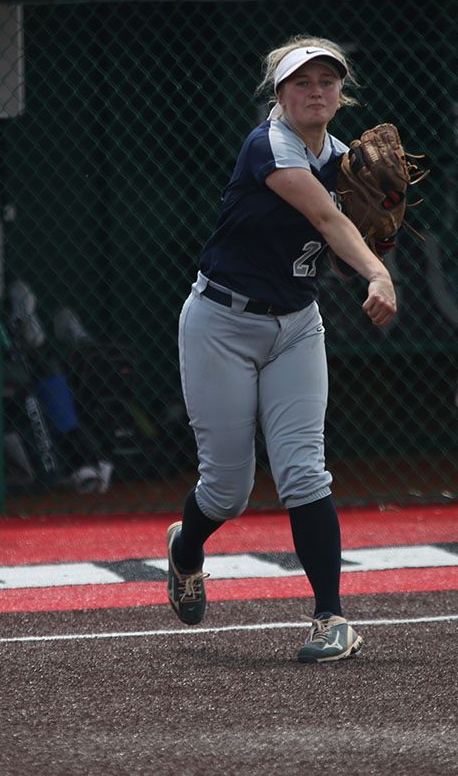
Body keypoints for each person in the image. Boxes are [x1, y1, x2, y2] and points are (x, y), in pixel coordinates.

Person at [167, 35, 397, 663]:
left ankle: (331, 618)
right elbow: (327, 222)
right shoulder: (269, 144)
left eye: (327, 81)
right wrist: (378, 272)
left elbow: (344, 240)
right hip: (221, 323)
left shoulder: (347, 159)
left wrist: (376, 248)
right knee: (227, 490)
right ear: (280, 93)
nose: (315, 91)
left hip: (296, 325)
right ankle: (187, 549)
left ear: (341, 93)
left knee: (303, 469)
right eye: (302, 82)